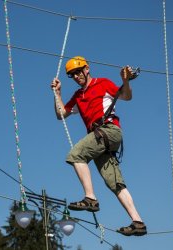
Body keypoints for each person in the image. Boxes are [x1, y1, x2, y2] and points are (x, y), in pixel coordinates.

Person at [50, 56, 147, 236]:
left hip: (108, 130)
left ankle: (90, 198)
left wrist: (125, 80)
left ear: (87, 69)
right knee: (114, 182)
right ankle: (138, 222)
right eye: (72, 75)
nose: (77, 76)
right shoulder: (79, 96)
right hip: (99, 139)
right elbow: (61, 114)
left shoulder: (102, 83)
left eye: (78, 71)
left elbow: (126, 96)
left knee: (76, 154)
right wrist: (57, 93)